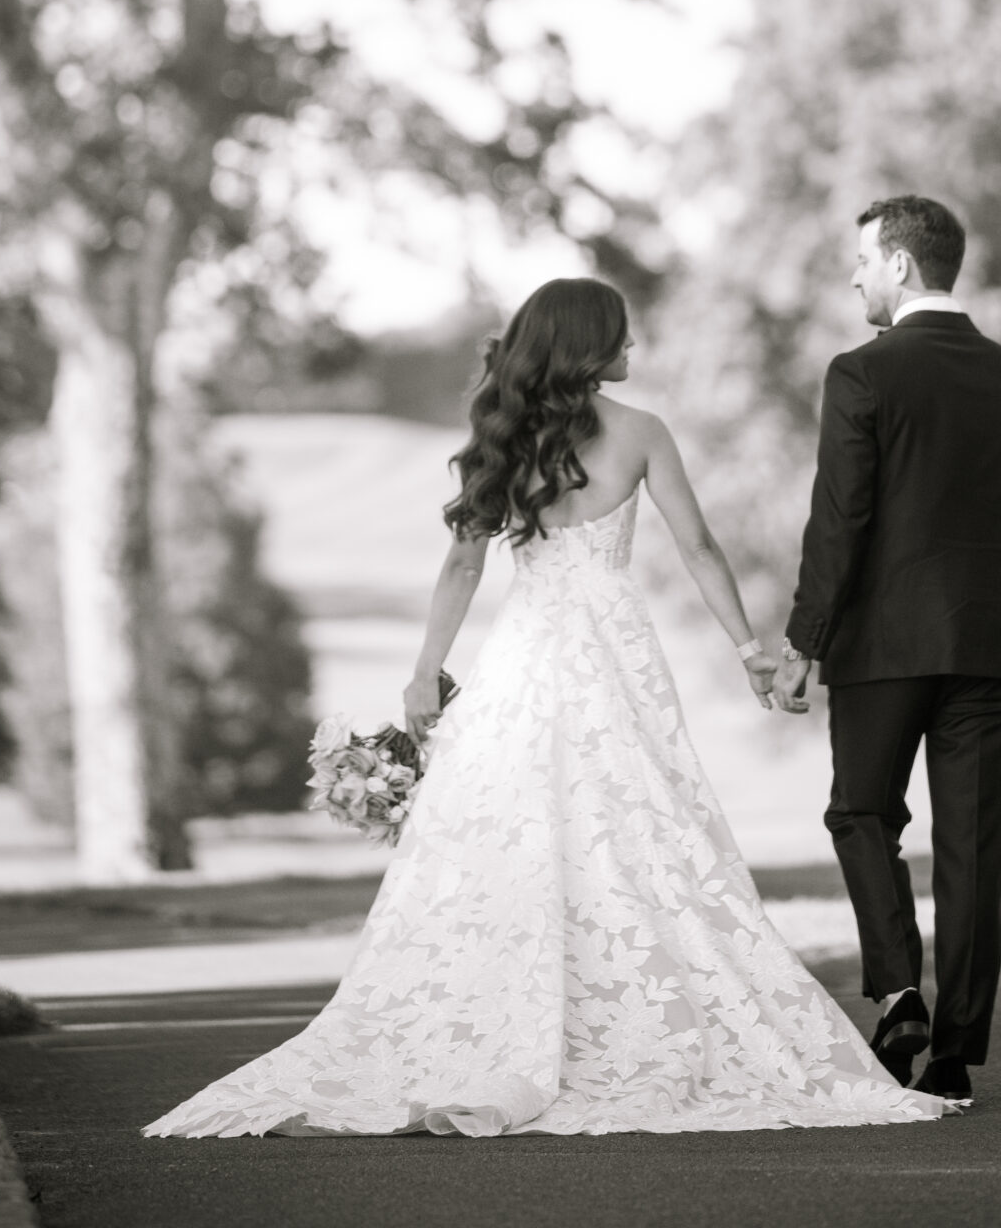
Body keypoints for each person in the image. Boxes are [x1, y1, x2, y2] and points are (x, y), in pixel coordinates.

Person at [146, 277, 950, 1137]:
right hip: (613, 651)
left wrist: (426, 673)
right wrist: (750, 650)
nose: (633, 353)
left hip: (526, 655)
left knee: (514, 828)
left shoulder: (504, 438)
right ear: (588, 348)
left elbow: (463, 568)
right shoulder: (642, 434)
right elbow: (700, 547)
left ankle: (512, 1019)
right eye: (622, 339)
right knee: (636, 828)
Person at [772, 196, 1001, 1107]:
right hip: (990, 644)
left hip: (883, 644)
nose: (853, 274)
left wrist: (804, 641)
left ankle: (899, 992)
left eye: (860, 259)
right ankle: (957, 1054)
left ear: (899, 264)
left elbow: (840, 521)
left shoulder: (861, 373)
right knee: (974, 846)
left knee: (861, 812)